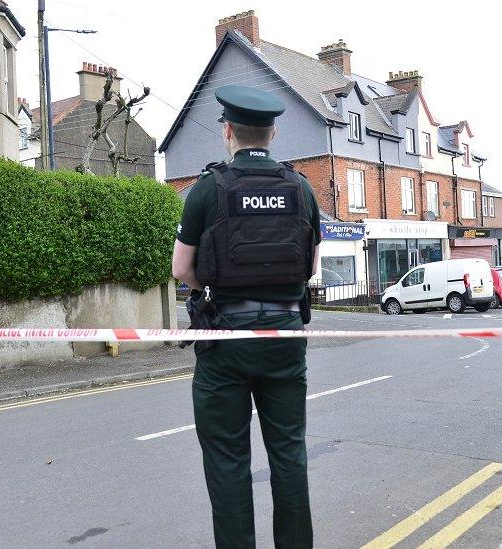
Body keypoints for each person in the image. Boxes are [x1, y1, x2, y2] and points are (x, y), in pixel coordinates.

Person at [171, 84, 322, 549]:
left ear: (229, 131)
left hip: (226, 341)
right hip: (284, 337)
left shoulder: (207, 189)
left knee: (227, 461)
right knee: (289, 455)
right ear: (273, 134)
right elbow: (311, 267)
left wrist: (215, 288)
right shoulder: (300, 188)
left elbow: (182, 270)